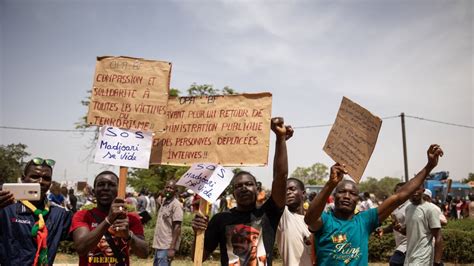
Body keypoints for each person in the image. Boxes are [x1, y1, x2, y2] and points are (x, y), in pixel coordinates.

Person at [304, 144, 443, 265]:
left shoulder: (365, 221)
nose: (346, 196)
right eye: (342, 192)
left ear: (358, 199)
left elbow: (399, 197)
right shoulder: (326, 220)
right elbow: (309, 219)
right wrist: (331, 183)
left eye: (352, 194)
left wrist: (429, 166)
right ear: (334, 196)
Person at [191, 117, 293, 265]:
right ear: (233, 194)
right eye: (238, 186)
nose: (244, 188)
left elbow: (280, 177)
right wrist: (197, 234)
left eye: (249, 184)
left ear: (257, 189)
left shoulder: (268, 213)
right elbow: (198, 258)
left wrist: (280, 138)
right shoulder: (220, 220)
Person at [0, 157, 72, 266]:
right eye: (35, 176)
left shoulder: (59, 214)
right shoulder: (6, 209)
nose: (41, 181)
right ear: (23, 179)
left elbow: (84, 234)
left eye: (46, 178)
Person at [70, 171, 148, 265]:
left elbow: (144, 253)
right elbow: (81, 249)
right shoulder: (83, 215)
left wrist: (128, 235)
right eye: (101, 184)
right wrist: (109, 220)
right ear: (94, 192)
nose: (106, 188)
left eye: (111, 185)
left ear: (119, 190)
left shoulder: (131, 218)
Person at [404, 186, 444, 265]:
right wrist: (399, 229)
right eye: (412, 189)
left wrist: (437, 262)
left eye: (417, 189)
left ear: (423, 190)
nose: (415, 192)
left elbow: (438, 237)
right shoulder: (408, 208)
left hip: (423, 257)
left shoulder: (431, 209)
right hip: (409, 257)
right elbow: (411, 232)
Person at [276, 178, 312, 265]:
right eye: (284, 190)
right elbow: (280, 174)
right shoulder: (284, 217)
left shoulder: (315, 221)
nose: (288, 192)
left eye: (292, 189)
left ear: (303, 194)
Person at [152, 179, 183, 265]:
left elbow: (177, 227)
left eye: (171, 188)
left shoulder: (176, 205)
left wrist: (172, 248)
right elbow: (157, 197)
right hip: (159, 244)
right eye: (167, 187)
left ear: (175, 191)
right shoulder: (164, 201)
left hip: (167, 246)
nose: (168, 189)